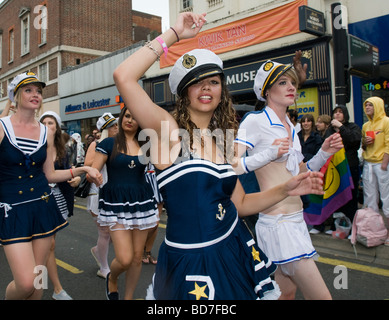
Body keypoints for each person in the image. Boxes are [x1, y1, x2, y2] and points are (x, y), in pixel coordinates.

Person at [112, 12, 326, 300]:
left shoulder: (222, 142)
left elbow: (241, 203)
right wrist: (174, 33)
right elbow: (124, 76)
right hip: (189, 263)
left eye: (213, 81)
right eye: (197, 82)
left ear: (221, 90)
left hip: (231, 251)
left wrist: (285, 189)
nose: (206, 88)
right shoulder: (168, 130)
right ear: (184, 92)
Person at [0, 72, 102, 300]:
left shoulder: (45, 132)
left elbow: (50, 174)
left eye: (38, 91)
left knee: (38, 284)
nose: (35, 94)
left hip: (42, 208)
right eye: (28, 90)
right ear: (15, 97)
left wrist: (84, 170)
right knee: (25, 284)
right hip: (12, 211)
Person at [235, 58, 344, 300]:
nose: (291, 87)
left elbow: (300, 172)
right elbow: (232, 165)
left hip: (296, 221)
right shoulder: (254, 121)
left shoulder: (291, 126)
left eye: (292, 82)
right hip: (278, 224)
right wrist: (268, 154)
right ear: (266, 90)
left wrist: (324, 151)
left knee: (286, 294)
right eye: (283, 82)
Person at [89, 106, 159, 300]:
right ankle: (112, 277)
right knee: (125, 258)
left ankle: (127, 297)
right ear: (121, 118)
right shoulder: (109, 143)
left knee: (137, 258)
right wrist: (91, 176)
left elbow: (164, 165)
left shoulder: (146, 145)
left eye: (135, 117)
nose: (130, 120)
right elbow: (95, 168)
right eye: (127, 116)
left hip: (142, 202)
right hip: (115, 203)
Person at [40, 111, 81, 300]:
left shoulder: (62, 148)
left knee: (47, 245)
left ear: (57, 127)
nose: (48, 125)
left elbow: (66, 172)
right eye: (44, 122)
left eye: (51, 123)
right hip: (37, 199)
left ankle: (38, 285)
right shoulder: (34, 146)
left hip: (57, 198)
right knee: (48, 244)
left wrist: (76, 178)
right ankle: (55, 289)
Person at [85, 112, 119, 279]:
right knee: (105, 232)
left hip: (114, 193)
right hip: (98, 192)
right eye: (113, 126)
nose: (117, 128)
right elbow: (87, 166)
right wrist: (102, 155)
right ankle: (104, 267)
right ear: (105, 129)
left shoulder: (119, 144)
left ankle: (98, 250)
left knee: (115, 230)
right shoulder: (96, 144)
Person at [361, 97, 389, 246]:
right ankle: (375, 231)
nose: (368, 107)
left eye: (371, 105)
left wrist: (384, 163)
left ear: (378, 106)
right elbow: (363, 146)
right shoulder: (366, 125)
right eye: (366, 105)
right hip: (368, 164)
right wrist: (365, 143)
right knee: (370, 199)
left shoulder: (388, 122)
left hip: (383, 165)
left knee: (387, 198)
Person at [328, 105, 362, 227]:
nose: (337, 114)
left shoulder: (353, 127)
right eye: (335, 112)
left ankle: (352, 225)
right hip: (335, 167)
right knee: (336, 195)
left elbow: (354, 139)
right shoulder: (330, 129)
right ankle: (337, 226)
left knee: (351, 196)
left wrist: (341, 127)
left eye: (340, 112)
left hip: (349, 166)